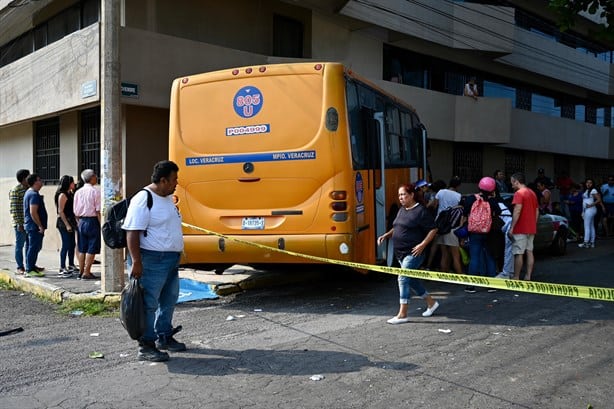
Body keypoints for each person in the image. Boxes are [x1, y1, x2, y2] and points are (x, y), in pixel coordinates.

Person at [123, 160, 186, 362]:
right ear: (162, 180)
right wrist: (136, 262)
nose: (176, 183)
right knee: (149, 304)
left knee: (168, 300)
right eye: (174, 180)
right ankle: (146, 346)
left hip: (170, 260)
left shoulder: (166, 198)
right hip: (151, 260)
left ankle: (163, 336)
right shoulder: (143, 198)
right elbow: (132, 232)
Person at [377, 183, 439, 324]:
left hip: (413, 253)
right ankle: (431, 303)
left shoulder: (421, 211)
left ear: (411, 195)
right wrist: (386, 235)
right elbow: (397, 227)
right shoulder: (402, 210)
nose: (401, 197)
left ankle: (403, 314)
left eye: (404, 194)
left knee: (403, 278)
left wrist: (422, 245)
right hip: (400, 253)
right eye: (399, 195)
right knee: (412, 280)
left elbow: (433, 229)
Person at [462, 177, 501, 293]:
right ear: (492, 189)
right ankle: (491, 285)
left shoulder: (470, 199)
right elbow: (498, 213)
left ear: (479, 187)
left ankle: (471, 286)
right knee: (490, 257)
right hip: (489, 232)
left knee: (474, 257)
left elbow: (464, 215)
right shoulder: (493, 201)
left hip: (474, 232)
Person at [508, 172, 539, 281]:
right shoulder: (532, 193)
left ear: (517, 181)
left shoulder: (519, 193)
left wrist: (512, 227)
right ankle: (528, 276)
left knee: (519, 253)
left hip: (521, 228)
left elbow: (517, 210)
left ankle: (516, 277)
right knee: (529, 251)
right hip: (531, 228)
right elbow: (536, 211)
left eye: (512, 182)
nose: (511, 185)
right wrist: (534, 224)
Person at [73, 169, 101, 279]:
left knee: (81, 247)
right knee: (92, 247)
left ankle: (81, 270)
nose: (96, 177)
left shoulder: (78, 192)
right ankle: (87, 271)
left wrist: (79, 222)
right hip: (92, 220)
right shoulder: (95, 192)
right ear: (92, 177)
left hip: (81, 221)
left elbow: (75, 210)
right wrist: (101, 224)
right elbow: (98, 210)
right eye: (95, 175)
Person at [432, 176, 463, 275]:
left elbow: (435, 205)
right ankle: (460, 275)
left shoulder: (441, 192)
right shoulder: (458, 196)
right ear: (458, 186)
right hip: (452, 225)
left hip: (440, 224)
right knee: (455, 254)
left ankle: (443, 274)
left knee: (444, 253)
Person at [23, 173, 48, 277]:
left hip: (30, 225)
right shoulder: (33, 194)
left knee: (30, 246)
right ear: (34, 182)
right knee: (34, 247)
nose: (41, 182)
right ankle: (30, 269)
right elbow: (33, 212)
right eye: (39, 180)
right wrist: (40, 225)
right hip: (34, 226)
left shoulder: (29, 193)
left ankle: (31, 266)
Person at [54, 175, 78, 277]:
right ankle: (62, 267)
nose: (74, 184)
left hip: (71, 221)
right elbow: (61, 211)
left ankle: (71, 264)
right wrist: (67, 224)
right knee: (66, 244)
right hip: (64, 223)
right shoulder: (62, 195)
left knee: (72, 244)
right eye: (72, 182)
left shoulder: (70, 193)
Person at [9, 169, 31, 275]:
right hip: (21, 223)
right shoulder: (16, 190)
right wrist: (19, 223)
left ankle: (30, 265)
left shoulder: (29, 189)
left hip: (29, 222)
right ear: (23, 179)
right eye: (28, 176)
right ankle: (20, 266)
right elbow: (14, 208)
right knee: (20, 245)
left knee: (30, 244)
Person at [578, 178, 601, 248]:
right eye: (587, 182)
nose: (588, 184)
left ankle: (586, 242)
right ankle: (592, 242)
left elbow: (599, 199)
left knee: (587, 226)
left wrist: (591, 205)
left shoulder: (593, 190)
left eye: (590, 183)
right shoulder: (587, 190)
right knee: (591, 226)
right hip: (588, 210)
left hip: (590, 210)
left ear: (592, 184)